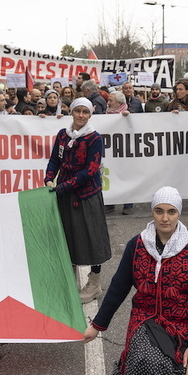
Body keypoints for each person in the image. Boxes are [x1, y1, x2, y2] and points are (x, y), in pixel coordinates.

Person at [82, 187, 188, 375]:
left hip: (182, 321)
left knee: (186, 367)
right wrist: (97, 325)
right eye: (159, 211)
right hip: (145, 320)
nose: (165, 218)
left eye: (171, 212)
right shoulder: (137, 244)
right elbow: (118, 286)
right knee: (147, 360)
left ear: (179, 213)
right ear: (152, 212)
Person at [44, 97, 112, 303]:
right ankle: (68, 278)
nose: (81, 115)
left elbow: (90, 171)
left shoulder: (94, 138)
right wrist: (48, 178)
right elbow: (55, 159)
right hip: (65, 194)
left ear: (90, 114)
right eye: (77, 111)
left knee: (92, 238)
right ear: (71, 112)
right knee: (67, 236)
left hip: (86, 194)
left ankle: (94, 284)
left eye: (85, 112)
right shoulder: (63, 135)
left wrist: (63, 186)